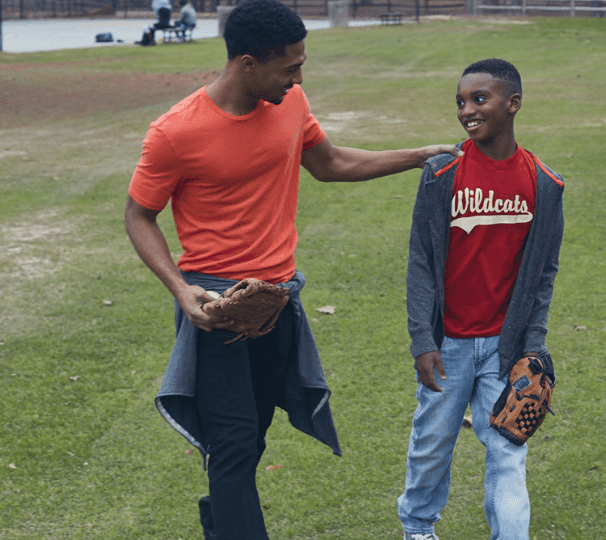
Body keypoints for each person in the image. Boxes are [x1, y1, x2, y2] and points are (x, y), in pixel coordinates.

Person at [121, 1, 462, 538]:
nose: (300, 77)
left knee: (250, 438)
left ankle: (222, 524)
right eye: (291, 67)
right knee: (232, 445)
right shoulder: (175, 132)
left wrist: (420, 154)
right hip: (216, 311)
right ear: (248, 64)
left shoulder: (289, 101)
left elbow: (330, 164)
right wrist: (181, 290)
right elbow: (139, 215)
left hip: (278, 301)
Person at [398, 58, 566, 540]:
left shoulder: (544, 184)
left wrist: (532, 345)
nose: (467, 111)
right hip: (447, 343)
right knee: (432, 444)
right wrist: (421, 340)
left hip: (505, 347)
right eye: (460, 102)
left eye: (479, 99)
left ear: (512, 104)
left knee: (508, 450)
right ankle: (418, 527)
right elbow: (421, 263)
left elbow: (543, 275)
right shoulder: (442, 173)